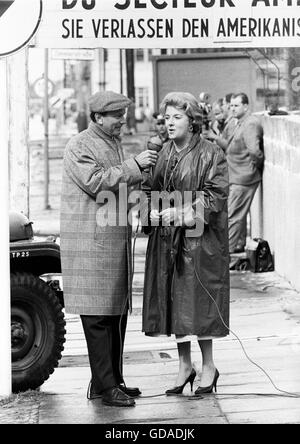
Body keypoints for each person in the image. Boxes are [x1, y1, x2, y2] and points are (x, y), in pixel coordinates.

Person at [60, 90, 158, 407]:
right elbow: (97, 181)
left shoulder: (111, 143)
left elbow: (121, 186)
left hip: (110, 240)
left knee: (114, 313)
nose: (122, 121)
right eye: (117, 116)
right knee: (98, 317)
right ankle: (106, 386)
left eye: (123, 115)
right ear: (99, 117)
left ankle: (110, 381)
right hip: (91, 242)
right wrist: (134, 165)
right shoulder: (80, 145)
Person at [142, 92, 230, 396]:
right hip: (166, 241)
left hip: (198, 242)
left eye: (176, 117)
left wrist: (182, 213)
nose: (169, 123)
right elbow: (148, 189)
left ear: (192, 121)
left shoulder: (211, 153)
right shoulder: (162, 153)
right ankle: (184, 365)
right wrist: (150, 211)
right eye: (166, 118)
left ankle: (209, 366)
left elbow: (216, 193)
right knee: (173, 303)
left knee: (199, 303)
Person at [227, 92, 264, 254]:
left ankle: (225, 255)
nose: (232, 109)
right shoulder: (238, 123)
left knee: (233, 217)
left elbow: (255, 152)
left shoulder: (250, 124)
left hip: (244, 177)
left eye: (236, 105)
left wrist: (255, 168)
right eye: (231, 106)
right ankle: (234, 247)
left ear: (246, 106)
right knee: (234, 216)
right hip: (236, 176)